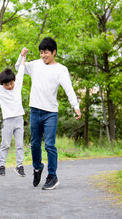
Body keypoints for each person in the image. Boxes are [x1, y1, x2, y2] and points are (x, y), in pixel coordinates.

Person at [15, 37, 81, 190]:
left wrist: (75, 105)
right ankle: (37, 168)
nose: (43, 56)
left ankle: (52, 176)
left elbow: (69, 88)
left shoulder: (61, 70)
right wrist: (22, 56)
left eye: (46, 53)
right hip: (35, 110)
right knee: (35, 144)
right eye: (41, 53)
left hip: (50, 112)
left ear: (54, 52)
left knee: (50, 145)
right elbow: (20, 67)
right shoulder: (36, 65)